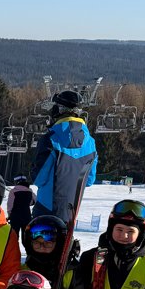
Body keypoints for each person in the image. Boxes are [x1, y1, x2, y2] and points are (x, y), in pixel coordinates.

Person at [31, 91, 98, 224]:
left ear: (58, 110)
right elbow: (89, 180)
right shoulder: (91, 143)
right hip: (71, 214)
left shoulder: (50, 139)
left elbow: (39, 179)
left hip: (46, 210)